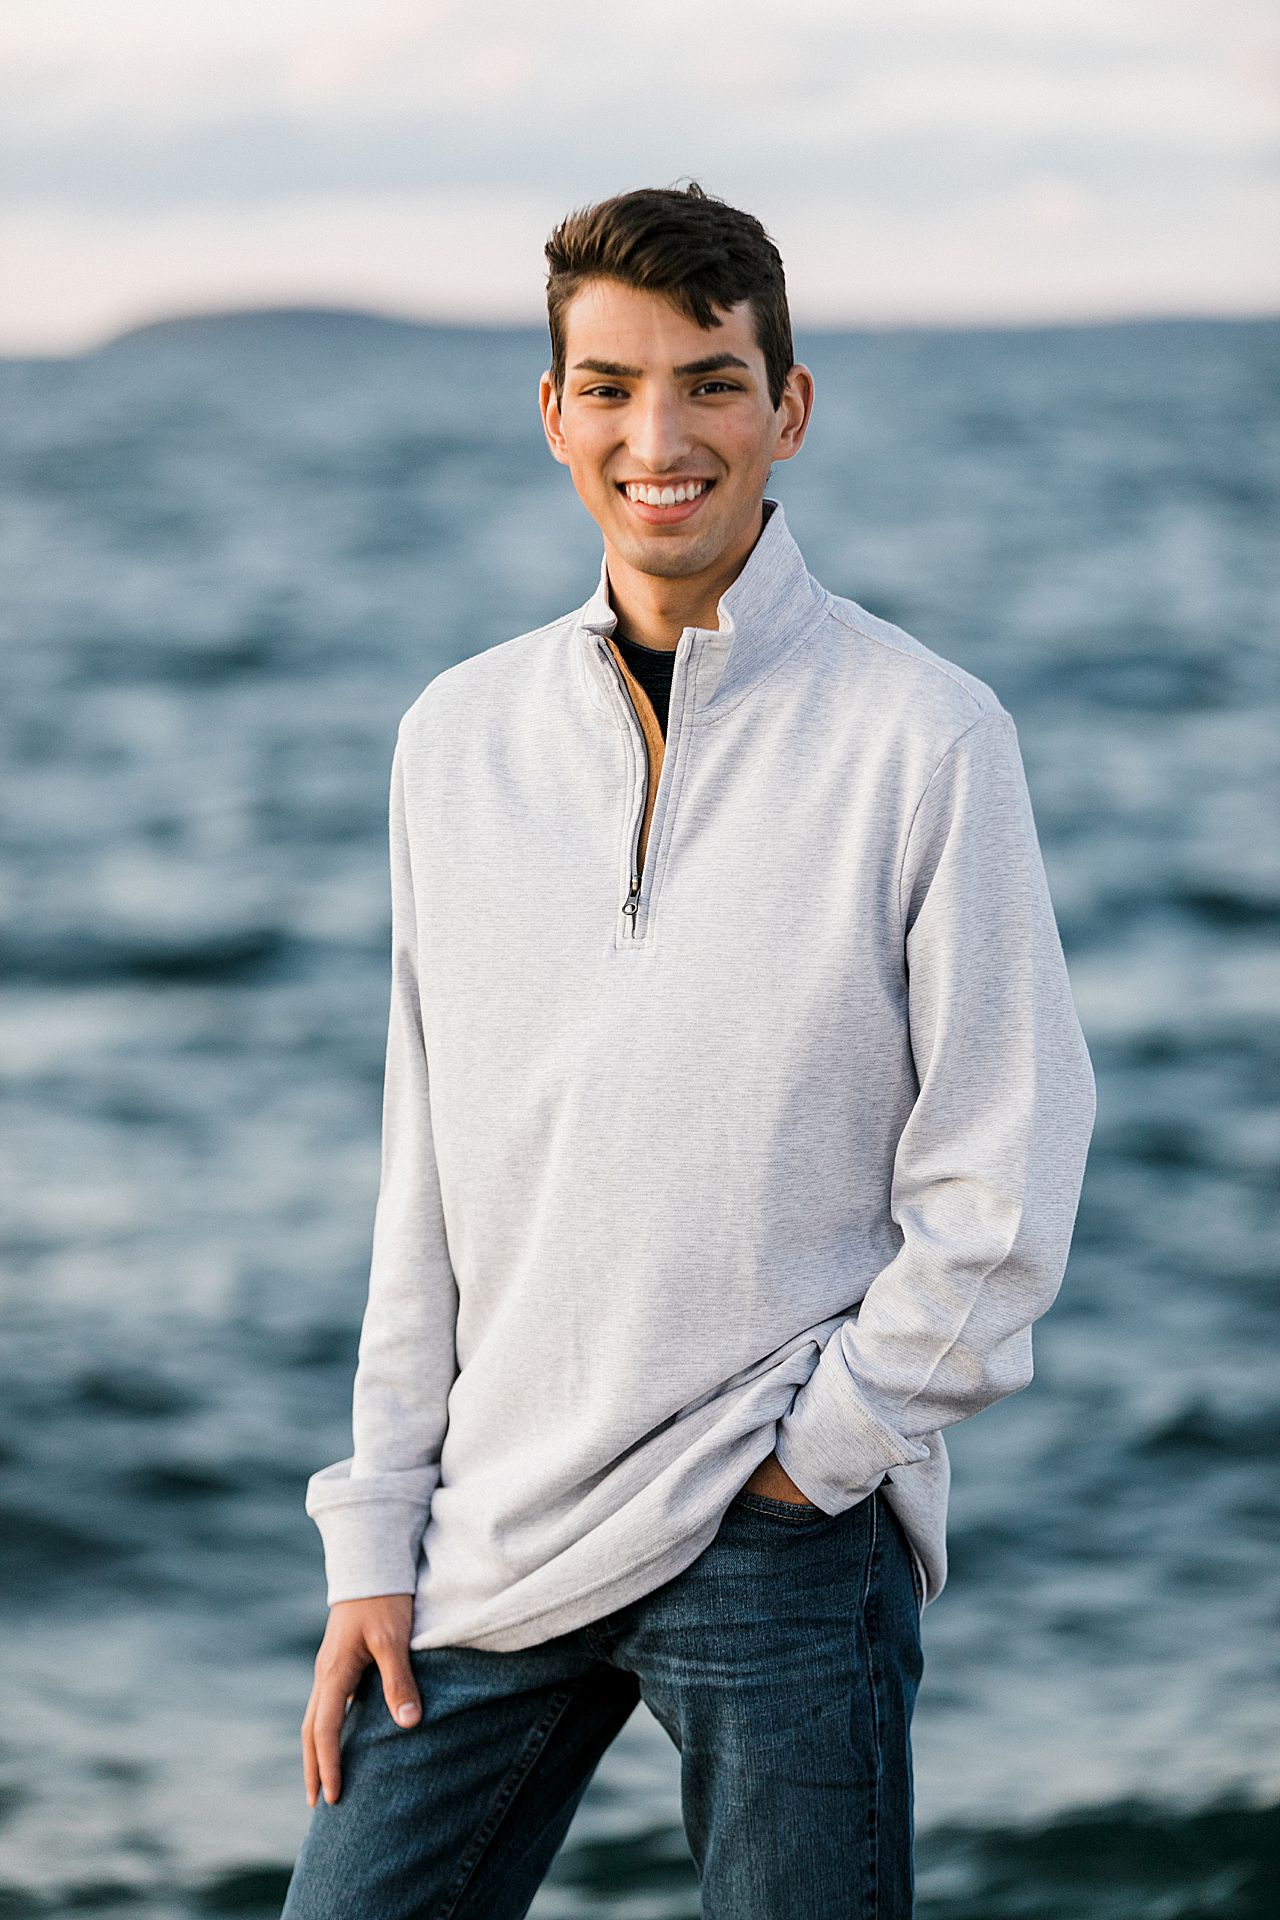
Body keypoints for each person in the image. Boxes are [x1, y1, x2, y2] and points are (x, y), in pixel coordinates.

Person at [281, 182, 1097, 1920]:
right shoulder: (455, 740)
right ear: (556, 413)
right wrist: (377, 1538)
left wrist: (828, 1457)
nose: (662, 435)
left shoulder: (927, 736)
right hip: (493, 1532)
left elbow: (1005, 1172)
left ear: (787, 408)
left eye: (713, 381)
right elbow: (426, 1175)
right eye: (613, 385)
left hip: (774, 1522)